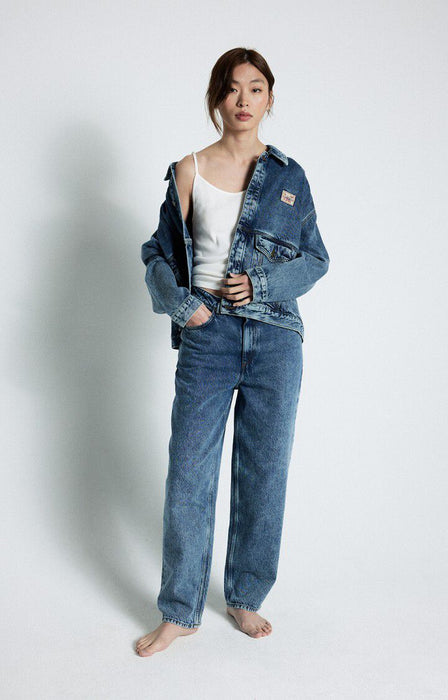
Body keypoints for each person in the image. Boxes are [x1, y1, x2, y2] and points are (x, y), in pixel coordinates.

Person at [136, 47, 330, 657]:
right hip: (209, 336)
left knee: (264, 471)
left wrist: (264, 284)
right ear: (216, 98)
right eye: (232, 88)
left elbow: (316, 258)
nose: (244, 100)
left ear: (269, 98)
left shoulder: (290, 177)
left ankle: (245, 597)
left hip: (276, 339)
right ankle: (180, 611)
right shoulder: (187, 169)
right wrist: (182, 305)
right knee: (189, 473)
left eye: (256, 88)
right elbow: (157, 252)